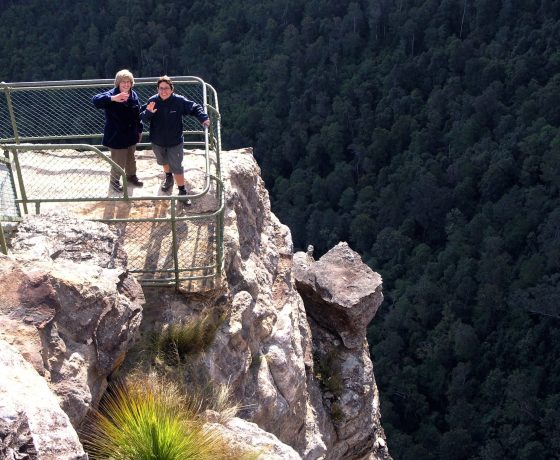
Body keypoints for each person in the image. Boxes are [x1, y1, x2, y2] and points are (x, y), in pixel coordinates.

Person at [141, 76, 210, 203]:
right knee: (163, 161)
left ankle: (182, 191)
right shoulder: (152, 101)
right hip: (157, 140)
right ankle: (168, 178)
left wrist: (203, 118)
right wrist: (148, 113)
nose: (163, 91)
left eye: (166, 88)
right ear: (157, 89)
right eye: (161, 88)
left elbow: (194, 107)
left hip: (175, 141)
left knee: (177, 166)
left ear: (172, 89)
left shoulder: (179, 101)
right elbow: (141, 118)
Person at [92, 69, 144, 192]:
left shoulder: (133, 95)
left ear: (132, 83)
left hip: (131, 134)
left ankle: (131, 177)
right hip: (116, 136)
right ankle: (114, 182)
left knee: (131, 158)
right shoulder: (112, 94)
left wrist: (140, 130)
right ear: (118, 83)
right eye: (123, 82)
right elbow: (95, 100)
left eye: (128, 82)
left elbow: (138, 114)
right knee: (118, 161)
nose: (126, 84)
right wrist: (113, 98)